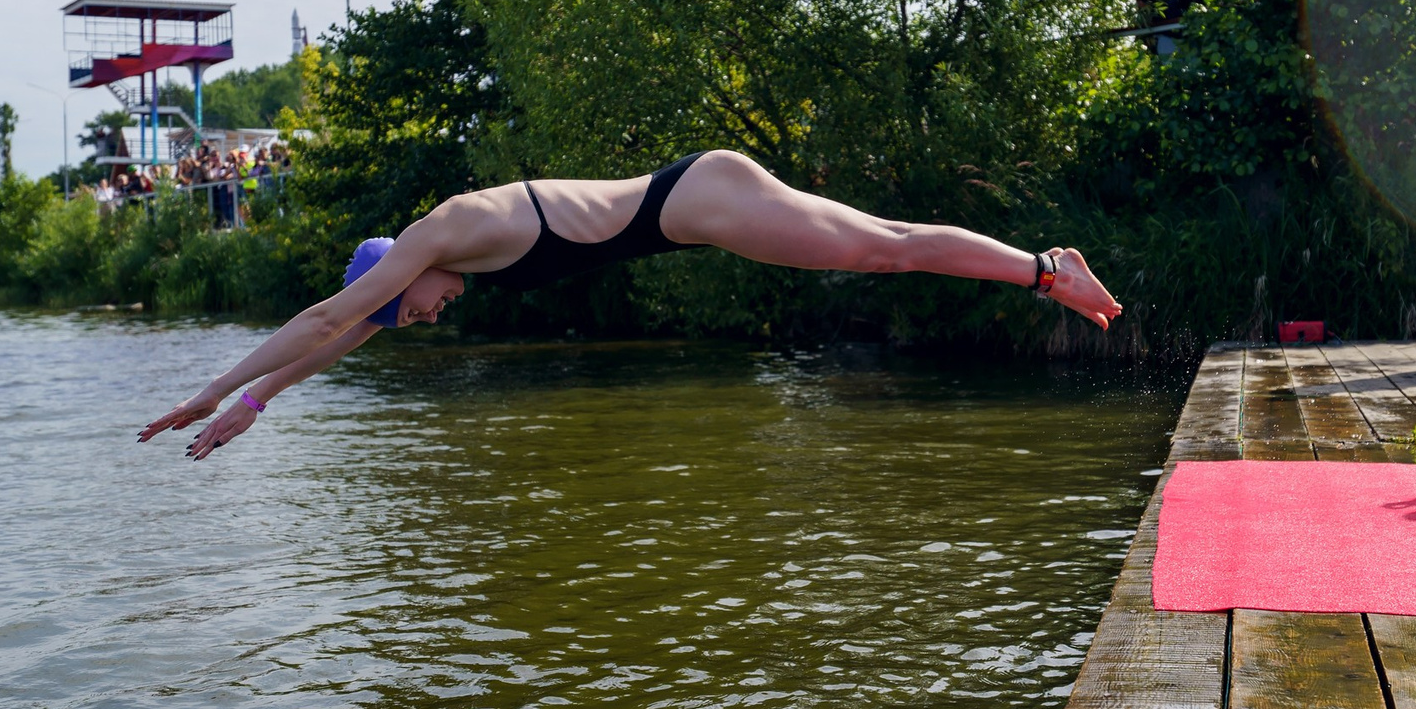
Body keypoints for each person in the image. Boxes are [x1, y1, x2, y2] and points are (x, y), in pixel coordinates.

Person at [138, 151, 1127, 459]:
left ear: (397, 273)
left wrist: (211, 386)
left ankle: (1048, 269)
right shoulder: (443, 259)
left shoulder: (441, 230)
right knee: (886, 249)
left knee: (884, 251)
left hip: (693, 199)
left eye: (412, 311)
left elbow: (325, 317)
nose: (427, 317)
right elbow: (339, 337)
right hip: (693, 213)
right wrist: (254, 404)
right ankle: (1045, 270)